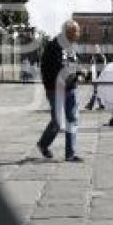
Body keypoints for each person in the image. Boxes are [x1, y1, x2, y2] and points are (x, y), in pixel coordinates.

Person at [37, 19, 83, 162]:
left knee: (72, 119)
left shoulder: (72, 46)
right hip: (55, 89)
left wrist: (80, 73)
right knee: (57, 122)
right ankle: (43, 144)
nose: (79, 34)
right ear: (68, 32)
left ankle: (70, 154)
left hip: (71, 88)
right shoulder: (54, 46)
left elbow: (75, 64)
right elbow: (55, 69)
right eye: (77, 31)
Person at [84, 45, 107, 110]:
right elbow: (91, 68)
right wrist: (87, 77)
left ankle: (90, 105)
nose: (92, 51)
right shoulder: (94, 57)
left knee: (96, 92)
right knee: (98, 92)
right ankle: (101, 105)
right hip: (96, 77)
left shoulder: (100, 57)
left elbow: (102, 68)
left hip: (99, 78)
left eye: (94, 49)